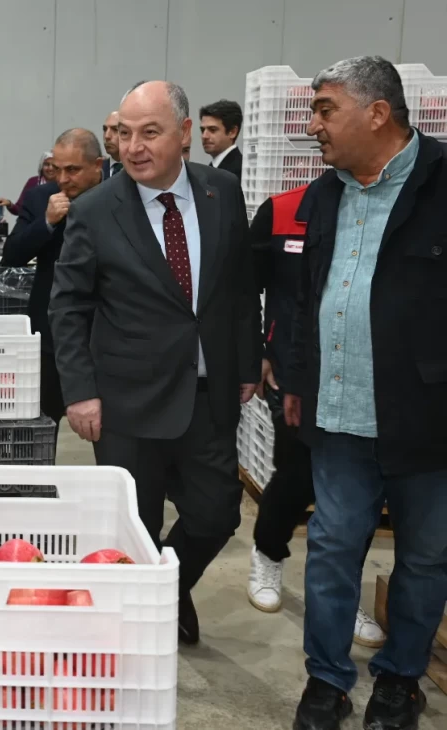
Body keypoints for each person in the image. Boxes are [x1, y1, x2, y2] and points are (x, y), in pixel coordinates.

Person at [49, 80, 260, 647]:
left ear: (186, 134)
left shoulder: (222, 192)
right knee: (133, 525)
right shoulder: (95, 211)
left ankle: (165, 584)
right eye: (125, 135)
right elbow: (69, 305)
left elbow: (239, 288)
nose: (134, 147)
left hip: (206, 393)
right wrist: (80, 391)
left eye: (151, 133)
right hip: (125, 401)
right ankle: (136, 631)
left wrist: (246, 363)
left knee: (217, 515)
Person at [281, 56, 446, 730]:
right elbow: (300, 297)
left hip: (429, 419)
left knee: (426, 556)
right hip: (340, 413)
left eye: (325, 109)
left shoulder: (441, 185)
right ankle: (327, 682)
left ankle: (400, 681)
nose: (313, 124)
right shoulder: (326, 194)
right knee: (331, 550)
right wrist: (294, 376)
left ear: (378, 112)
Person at [245, 183, 387, 650]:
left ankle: (341, 595)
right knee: (297, 474)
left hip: (371, 378)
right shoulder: (283, 211)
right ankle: (268, 551)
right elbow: (248, 288)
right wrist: (258, 353)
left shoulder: (389, 208)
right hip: (296, 372)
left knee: (360, 495)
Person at [1, 129, 103, 425]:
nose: (63, 178)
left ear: (98, 165)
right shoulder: (41, 197)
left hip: (106, 330)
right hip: (51, 331)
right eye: (57, 169)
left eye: (73, 170)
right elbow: (12, 256)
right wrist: (46, 222)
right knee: (44, 424)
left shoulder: (119, 199)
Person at [199, 99, 243, 180]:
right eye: (202, 130)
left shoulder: (239, 172)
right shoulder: (212, 168)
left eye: (212, 129)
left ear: (232, 132)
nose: (204, 136)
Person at [102, 111, 123, 178]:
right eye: (105, 129)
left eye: (115, 129)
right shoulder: (98, 170)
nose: (107, 136)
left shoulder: (139, 169)